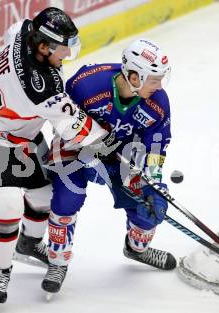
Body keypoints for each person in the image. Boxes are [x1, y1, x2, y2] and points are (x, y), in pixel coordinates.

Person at [0, 7, 107, 307]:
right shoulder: (37, 87)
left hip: (21, 133)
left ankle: (27, 244)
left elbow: (13, 34)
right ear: (42, 46)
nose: (66, 55)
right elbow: (75, 128)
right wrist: (110, 142)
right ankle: (0, 270)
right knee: (6, 204)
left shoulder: (23, 30)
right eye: (62, 50)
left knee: (45, 194)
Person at [43, 38, 177, 295]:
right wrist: (90, 140)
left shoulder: (158, 102)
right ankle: (57, 261)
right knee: (68, 197)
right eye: (154, 78)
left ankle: (137, 248)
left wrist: (154, 177)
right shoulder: (86, 84)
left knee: (150, 204)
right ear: (135, 76)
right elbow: (60, 121)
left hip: (123, 155)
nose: (159, 85)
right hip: (76, 149)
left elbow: (157, 143)